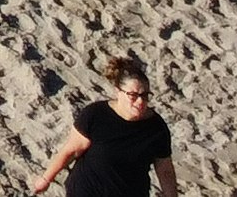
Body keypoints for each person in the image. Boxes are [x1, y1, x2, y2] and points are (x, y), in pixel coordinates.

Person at [29, 54, 176, 196]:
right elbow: (71, 151)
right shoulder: (96, 114)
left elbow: (165, 170)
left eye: (144, 95)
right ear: (118, 92)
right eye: (133, 95)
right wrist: (46, 179)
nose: (140, 102)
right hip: (87, 191)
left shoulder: (156, 128)